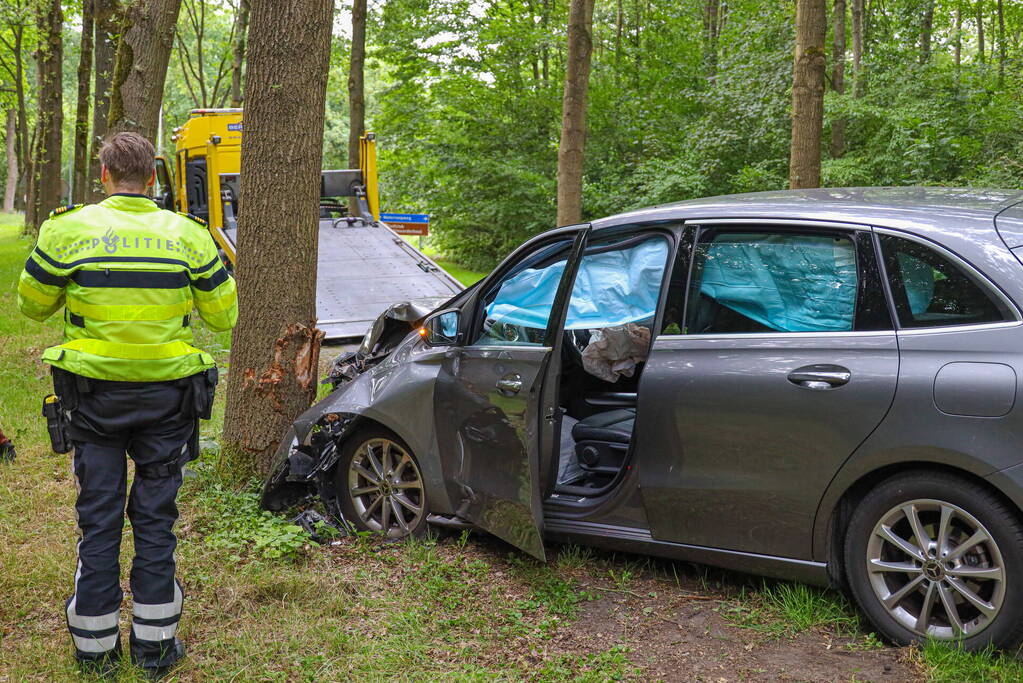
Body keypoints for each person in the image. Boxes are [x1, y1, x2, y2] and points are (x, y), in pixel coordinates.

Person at [17, 132, 238, 678]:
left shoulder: (68, 230)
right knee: (157, 518)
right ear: (156, 178)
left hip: (92, 400)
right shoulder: (188, 235)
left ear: (103, 175)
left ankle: (95, 651)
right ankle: (156, 648)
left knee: (98, 519)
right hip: (168, 399)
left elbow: (32, 304)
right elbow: (223, 317)